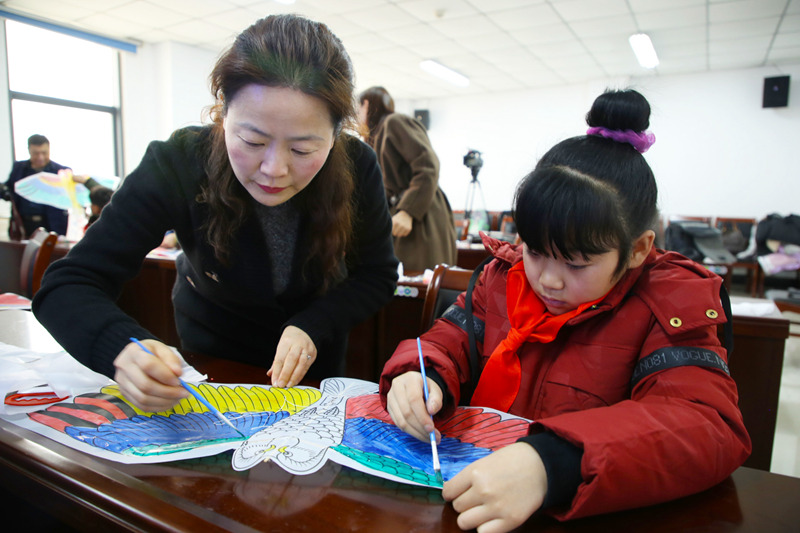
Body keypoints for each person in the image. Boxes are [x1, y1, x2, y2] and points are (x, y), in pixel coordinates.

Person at [379, 89, 750, 531]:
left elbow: (704, 424)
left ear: (636, 250)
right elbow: (450, 339)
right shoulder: (503, 277)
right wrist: (424, 376)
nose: (548, 280)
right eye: (535, 251)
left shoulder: (668, 303)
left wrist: (553, 464)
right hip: (469, 497)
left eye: (576, 264)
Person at [33, 14, 399, 413]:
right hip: (210, 362)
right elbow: (68, 284)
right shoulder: (178, 161)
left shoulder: (357, 165)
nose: (274, 169)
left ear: (336, 136)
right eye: (252, 140)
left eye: (302, 150)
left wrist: (314, 324)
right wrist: (120, 348)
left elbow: (377, 274)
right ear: (222, 116)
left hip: (311, 370)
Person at [358, 86, 457, 272]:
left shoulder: (395, 122)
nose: (356, 116)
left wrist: (408, 212)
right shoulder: (378, 136)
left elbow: (428, 166)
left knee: (420, 284)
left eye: (358, 109)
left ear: (367, 104)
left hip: (419, 214)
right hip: (405, 213)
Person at [4, 134, 70, 238]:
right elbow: (8, 189)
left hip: (51, 225)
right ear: (29, 150)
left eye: (44, 153)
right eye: (35, 153)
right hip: (23, 225)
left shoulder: (61, 172)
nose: (40, 157)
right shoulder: (19, 168)